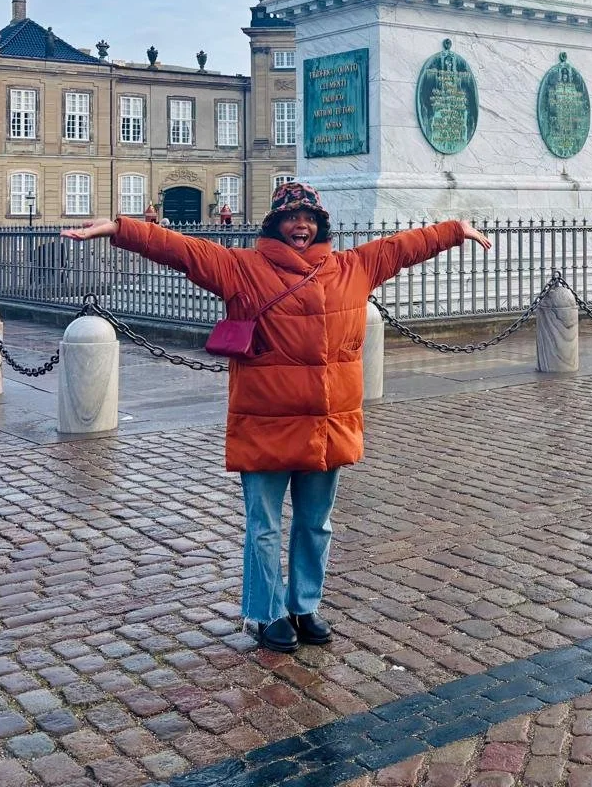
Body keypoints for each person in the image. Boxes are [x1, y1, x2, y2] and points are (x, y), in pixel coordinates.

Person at [62, 182, 490, 654]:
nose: (300, 225)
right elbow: (184, 251)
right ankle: (266, 612)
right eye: (290, 217)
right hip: (266, 421)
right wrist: (122, 229)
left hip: (326, 424)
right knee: (263, 524)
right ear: (275, 224)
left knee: (315, 523)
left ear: (321, 224)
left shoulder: (353, 267)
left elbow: (403, 247)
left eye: (308, 217)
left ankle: (305, 605)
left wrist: (455, 230)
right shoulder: (244, 270)